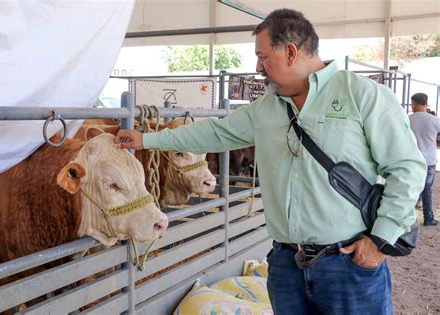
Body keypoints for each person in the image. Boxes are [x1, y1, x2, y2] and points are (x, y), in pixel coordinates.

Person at [115, 8, 426, 314]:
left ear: (290, 52)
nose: (258, 67)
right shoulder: (267, 108)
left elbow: (406, 167)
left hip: (348, 263)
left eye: (263, 57)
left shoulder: (362, 95)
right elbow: (214, 132)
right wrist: (148, 140)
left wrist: (380, 240)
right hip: (285, 265)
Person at [409, 92, 439, 226]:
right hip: (429, 160)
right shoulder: (435, 120)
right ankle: (428, 218)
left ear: (414, 104)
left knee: (410, 188)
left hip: (412, 159)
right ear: (426, 104)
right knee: (427, 189)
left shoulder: (407, 119)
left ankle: (408, 219)